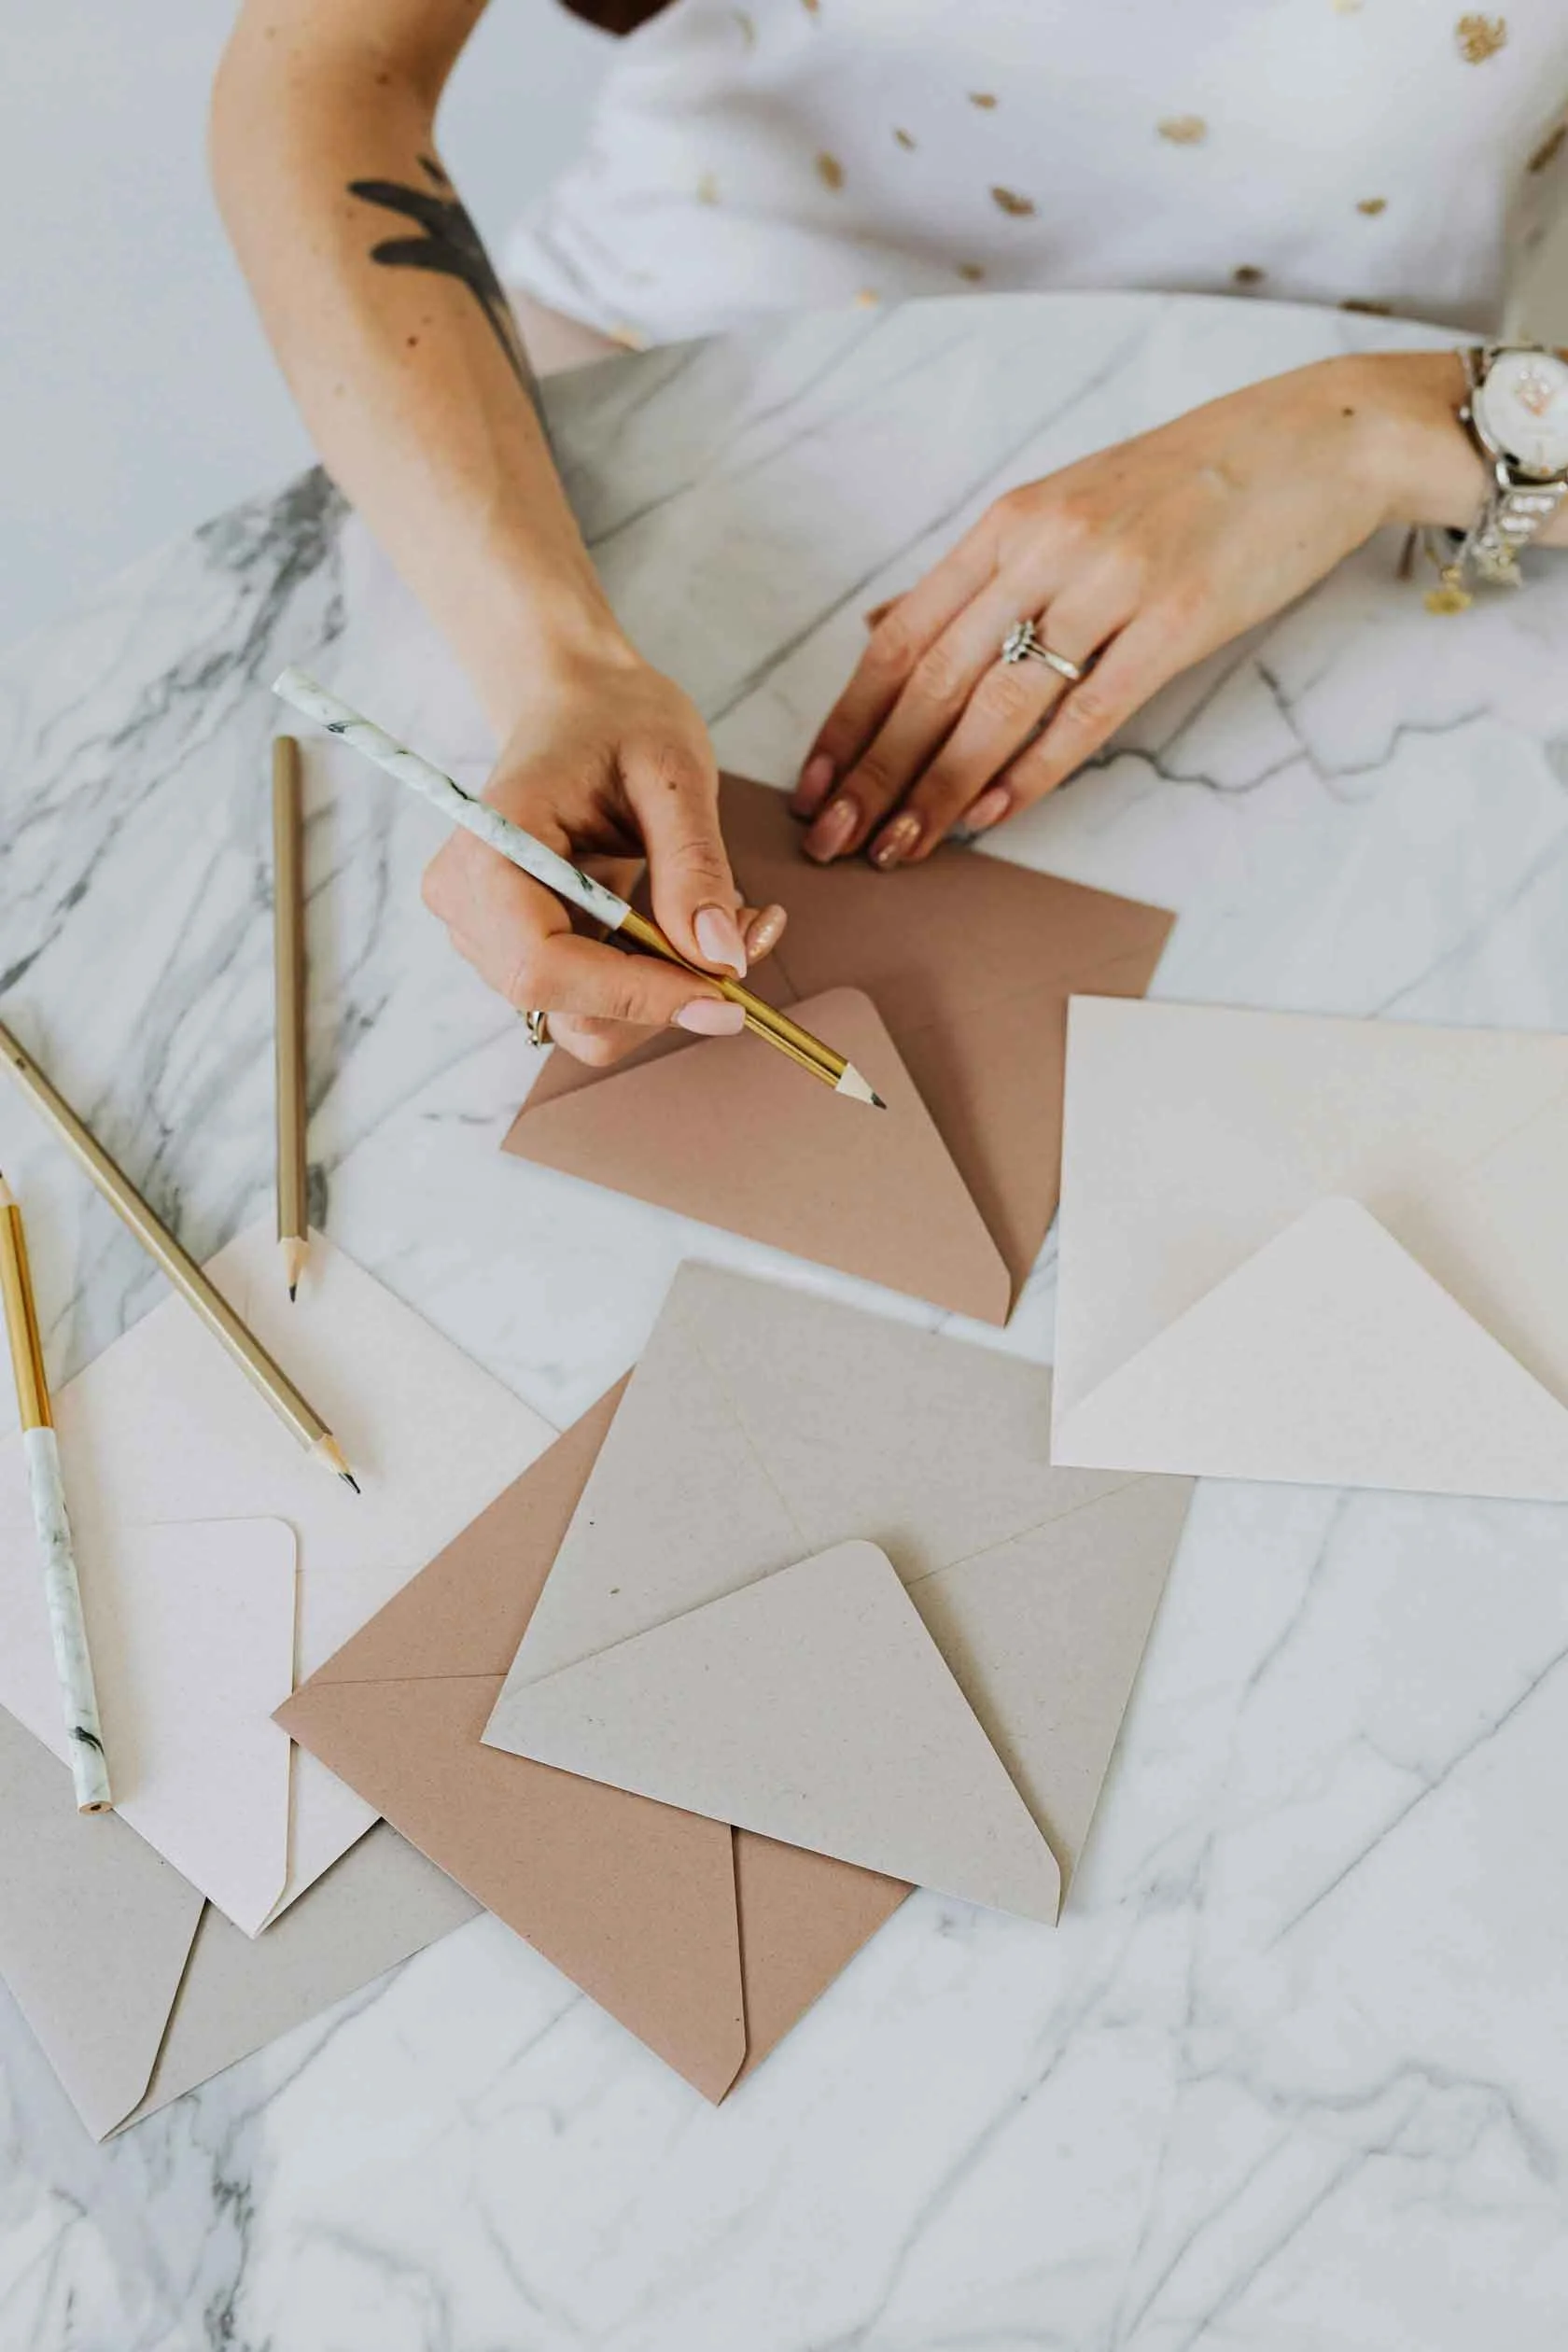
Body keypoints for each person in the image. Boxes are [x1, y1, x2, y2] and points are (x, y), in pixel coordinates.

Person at [212, 0, 1568, 1067]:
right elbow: (321, 78)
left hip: (1371, 527)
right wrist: (554, 665)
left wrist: (1368, 432)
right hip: (592, 433)